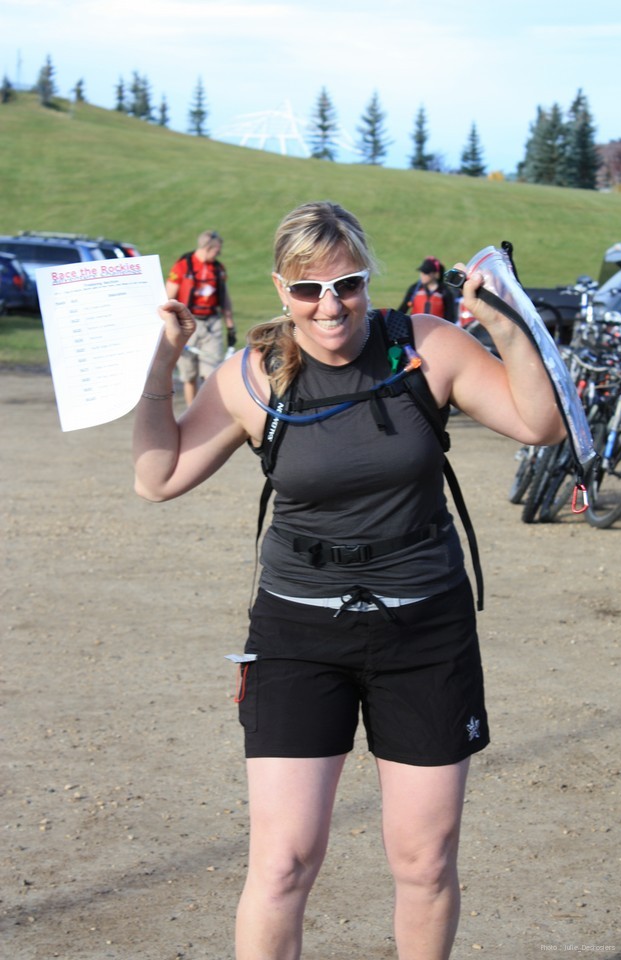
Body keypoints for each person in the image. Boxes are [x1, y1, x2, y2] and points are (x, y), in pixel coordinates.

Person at [133, 200, 565, 960]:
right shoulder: (255, 375)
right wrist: (163, 364)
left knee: (424, 862)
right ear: (282, 289)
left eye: (348, 285)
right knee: (283, 864)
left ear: (369, 279)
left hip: (424, 628)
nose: (330, 306)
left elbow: (541, 424)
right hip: (298, 630)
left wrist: (504, 324)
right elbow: (157, 477)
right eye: (309, 290)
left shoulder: (424, 347)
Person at [165, 229, 236, 405]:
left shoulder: (218, 269)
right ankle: (191, 409)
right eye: (217, 250)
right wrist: (170, 325)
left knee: (211, 373)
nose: (219, 253)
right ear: (208, 248)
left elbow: (225, 299)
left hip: (212, 324)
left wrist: (230, 326)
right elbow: (168, 298)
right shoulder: (183, 266)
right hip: (188, 323)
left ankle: (208, 410)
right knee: (189, 374)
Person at [399, 255, 457, 322]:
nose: (422, 275)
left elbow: (450, 316)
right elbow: (403, 309)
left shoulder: (444, 292)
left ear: (435, 274)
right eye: (422, 272)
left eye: (426, 273)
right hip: (416, 326)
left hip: (437, 327)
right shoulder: (414, 289)